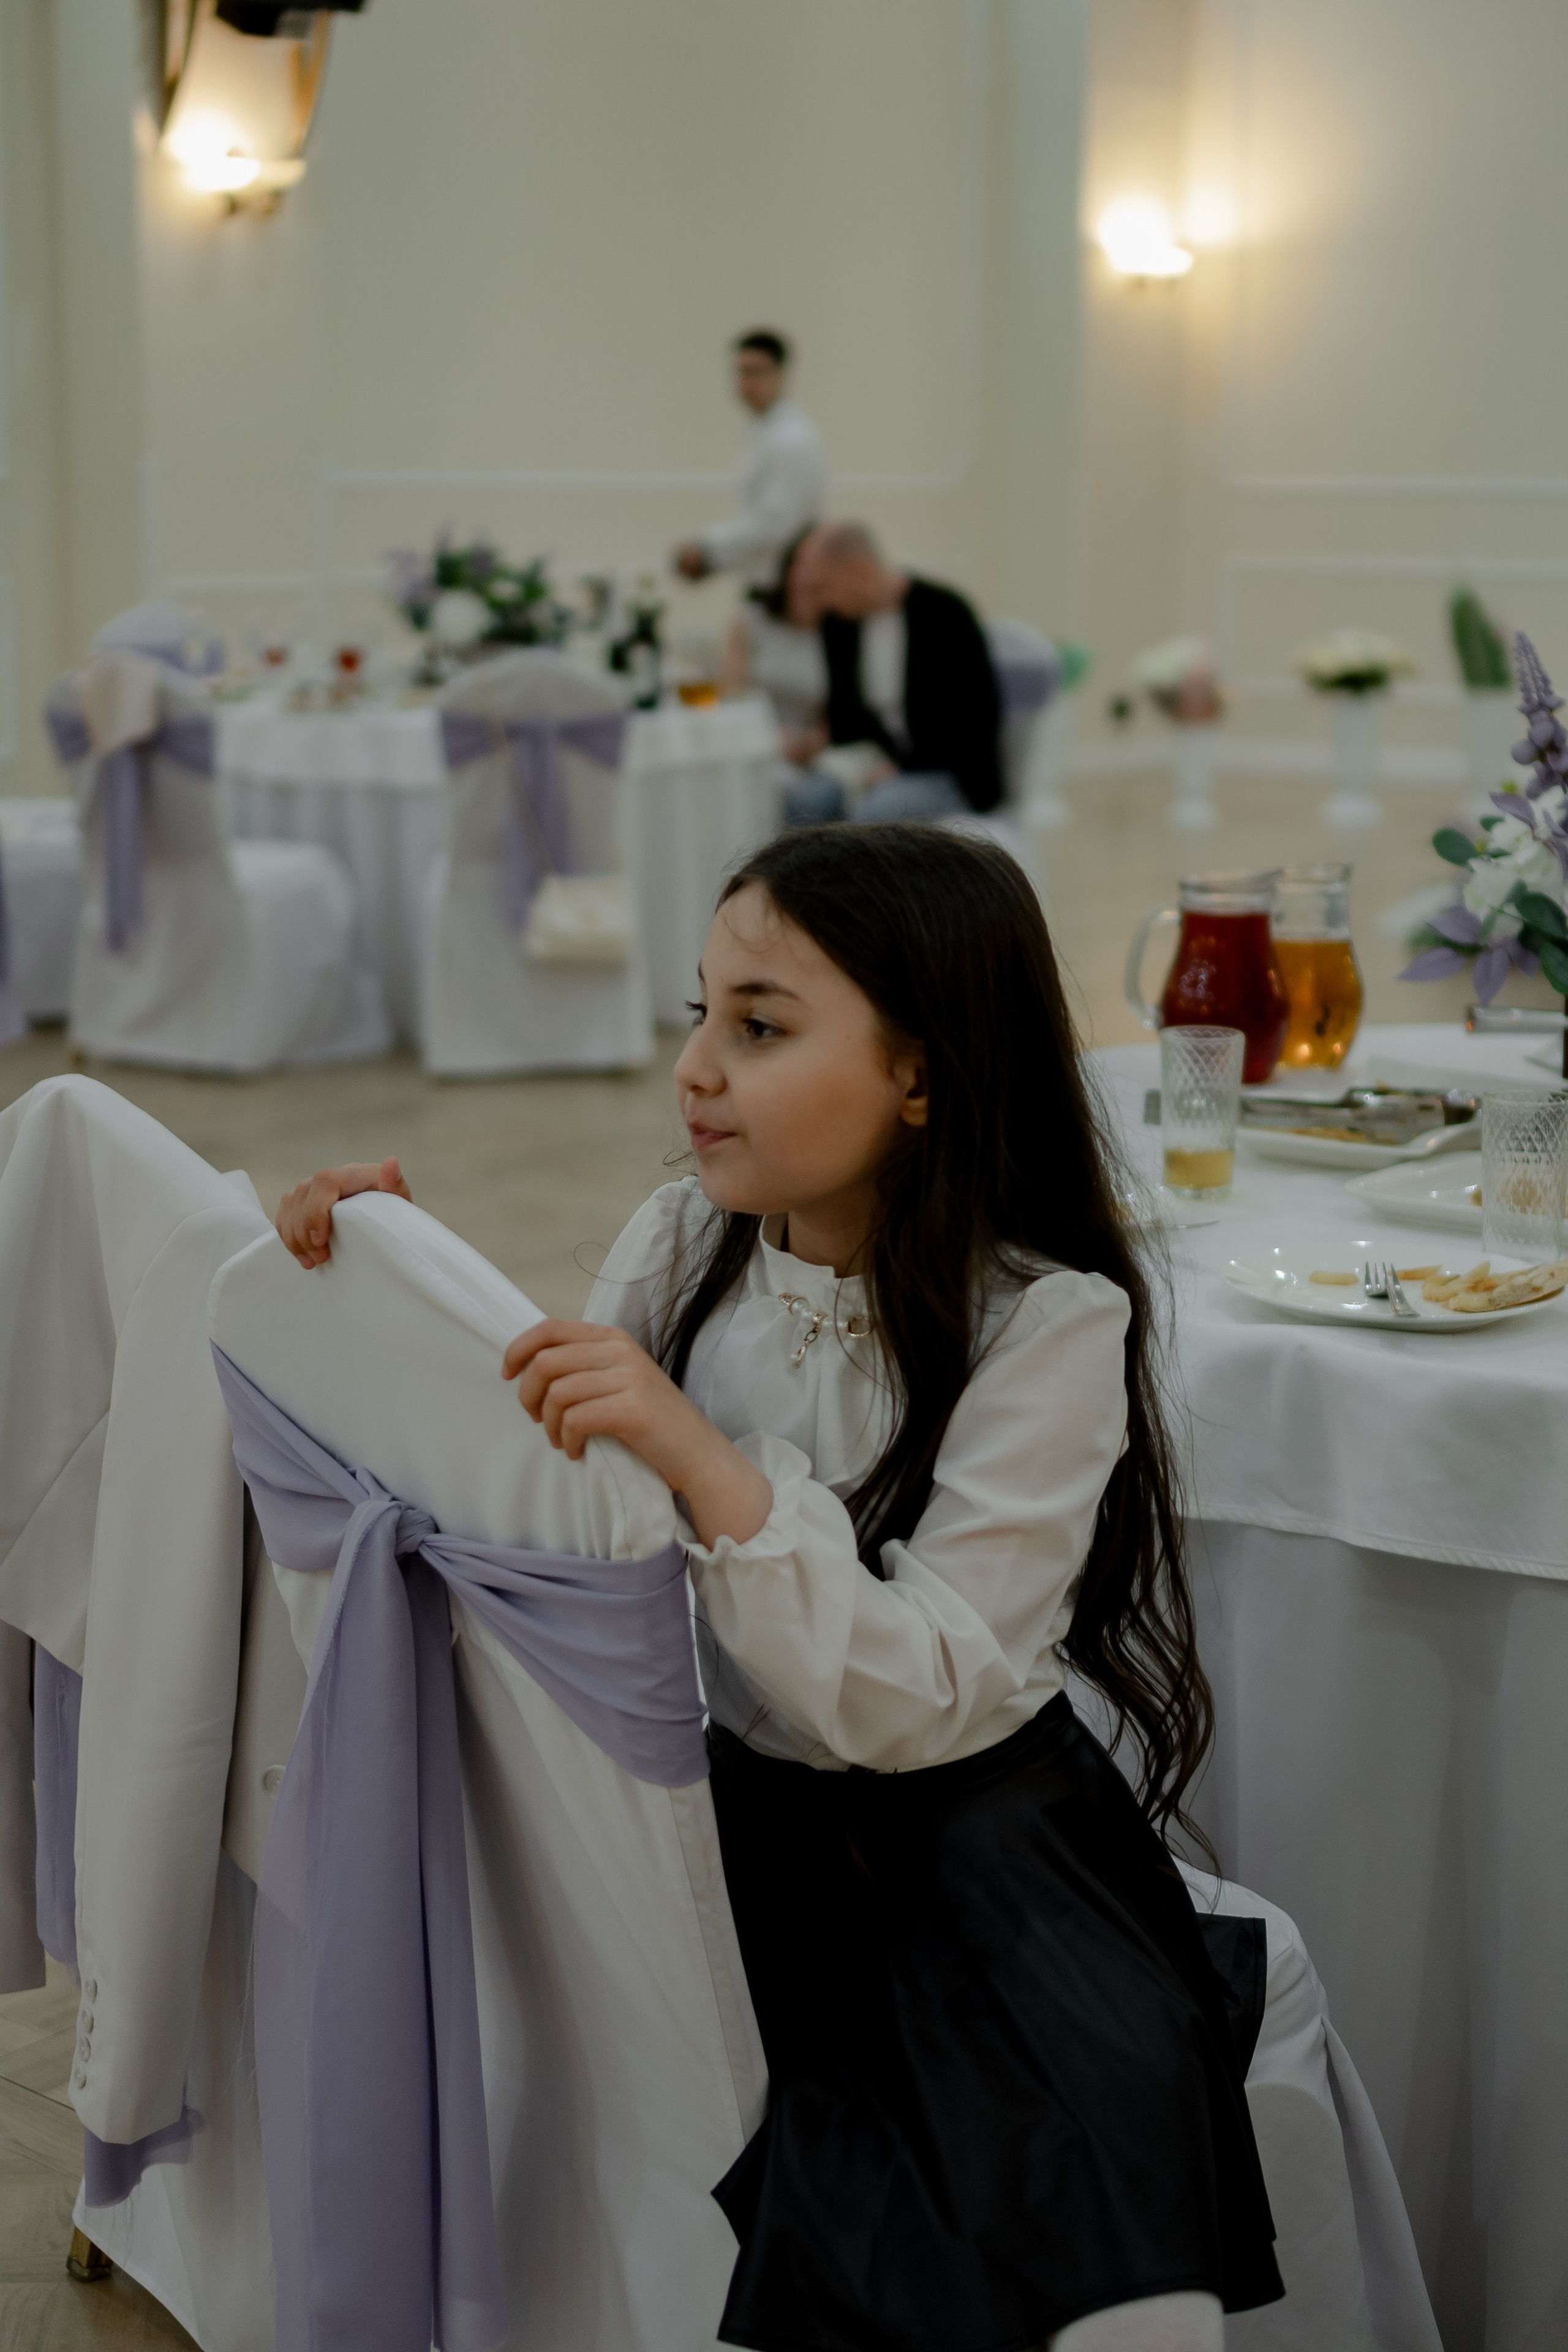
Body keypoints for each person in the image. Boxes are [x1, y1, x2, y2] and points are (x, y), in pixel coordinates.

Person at [276, 827, 1283, 2352]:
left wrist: (711, 1465)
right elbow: (534, 1476)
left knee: (1078, 2154)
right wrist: (394, 1268)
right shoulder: (690, 1238)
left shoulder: (1045, 1321)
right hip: (729, 1807)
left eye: (755, 1024)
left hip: (972, 1835)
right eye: (697, 1009)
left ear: (921, 1076)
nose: (693, 1065)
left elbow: (925, 1690)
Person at [783, 520, 1003, 824]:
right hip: (872, 761)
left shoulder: (947, 614)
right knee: (805, 802)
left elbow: (973, 723)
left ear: (859, 572)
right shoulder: (839, 626)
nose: (823, 601)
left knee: (872, 818)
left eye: (824, 588)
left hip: (947, 771)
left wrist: (899, 769)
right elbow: (846, 719)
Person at [674, 331, 827, 589]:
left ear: (782, 375)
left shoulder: (791, 439)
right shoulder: (765, 433)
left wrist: (707, 547)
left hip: (784, 595)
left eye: (757, 372)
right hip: (766, 588)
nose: (746, 382)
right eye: (741, 372)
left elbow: (775, 525)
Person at [720, 526, 828, 760]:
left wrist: (806, 744)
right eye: (801, 565)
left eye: (819, 568)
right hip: (749, 739)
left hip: (810, 753)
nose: (807, 577)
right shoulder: (752, 621)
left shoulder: (840, 635)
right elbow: (732, 693)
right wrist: (769, 737)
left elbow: (836, 720)